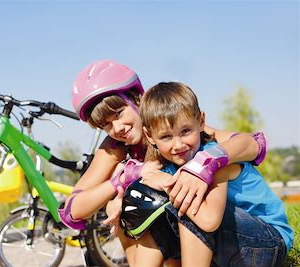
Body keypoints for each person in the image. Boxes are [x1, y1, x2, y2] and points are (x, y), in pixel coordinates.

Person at [58, 60, 268, 265]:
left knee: (165, 200)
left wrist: (204, 162)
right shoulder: (116, 147)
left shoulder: (175, 126)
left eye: (119, 113)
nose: (117, 127)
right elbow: (72, 210)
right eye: (106, 125)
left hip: (228, 229)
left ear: (137, 99)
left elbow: (254, 144)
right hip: (177, 230)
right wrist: (122, 181)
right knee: (129, 205)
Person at [120, 81, 293, 266]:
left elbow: (209, 220)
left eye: (185, 131)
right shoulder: (167, 165)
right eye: (166, 136)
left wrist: (166, 183)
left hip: (267, 242)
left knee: (186, 204)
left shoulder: (212, 158)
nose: (178, 145)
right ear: (149, 136)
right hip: (233, 243)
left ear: (201, 122)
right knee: (151, 209)